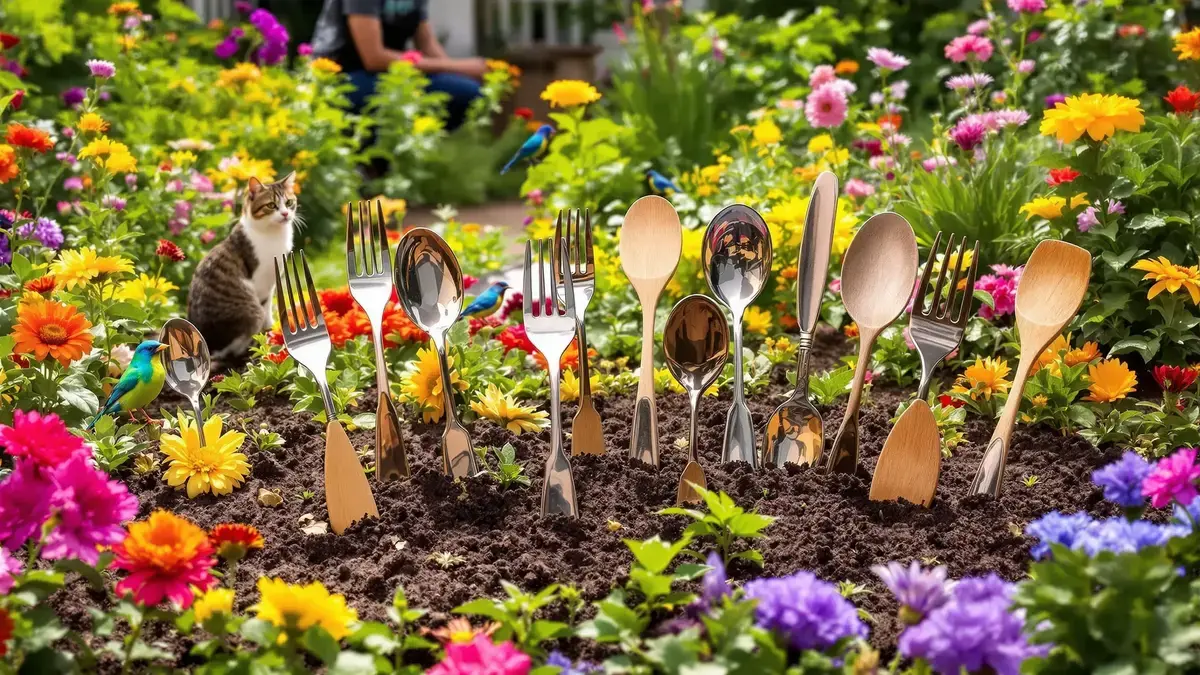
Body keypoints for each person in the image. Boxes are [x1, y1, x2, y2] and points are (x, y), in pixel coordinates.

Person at [311, 0, 487, 129]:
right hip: (341, 79)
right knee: (462, 92)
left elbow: (426, 44)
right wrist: (460, 67)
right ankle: (372, 164)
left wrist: (460, 73)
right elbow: (374, 58)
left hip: (389, 75)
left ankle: (390, 163)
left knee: (464, 91)